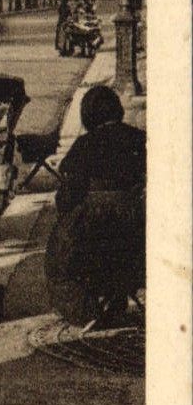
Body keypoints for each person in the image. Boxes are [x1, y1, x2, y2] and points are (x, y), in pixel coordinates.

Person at [44, 84, 146, 327]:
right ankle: (116, 298)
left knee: (59, 260)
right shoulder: (140, 138)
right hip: (139, 232)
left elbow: (68, 196)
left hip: (94, 235)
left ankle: (87, 310)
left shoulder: (84, 145)